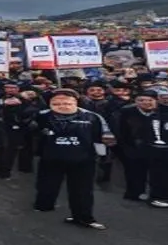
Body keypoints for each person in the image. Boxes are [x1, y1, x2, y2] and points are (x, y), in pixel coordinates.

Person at [31, 89, 113, 230]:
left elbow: (101, 138)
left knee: (82, 191)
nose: (63, 104)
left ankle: (83, 217)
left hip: (83, 160)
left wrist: (104, 157)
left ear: (76, 101)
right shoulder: (42, 115)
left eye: (67, 101)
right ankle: (44, 206)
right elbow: (30, 131)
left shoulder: (92, 117)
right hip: (52, 158)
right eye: (58, 101)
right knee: (46, 186)